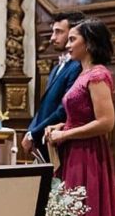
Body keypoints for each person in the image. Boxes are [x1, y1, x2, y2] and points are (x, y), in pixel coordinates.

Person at [45, 18, 115, 216]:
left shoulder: (98, 74)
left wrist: (67, 133)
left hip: (89, 155)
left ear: (89, 43)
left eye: (74, 38)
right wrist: (61, 124)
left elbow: (106, 122)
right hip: (75, 152)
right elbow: (82, 114)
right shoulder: (82, 73)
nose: (68, 43)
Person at [22, 11, 84, 162]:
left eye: (59, 32)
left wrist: (34, 134)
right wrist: (31, 131)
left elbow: (63, 109)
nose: (52, 38)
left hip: (60, 140)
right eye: (53, 32)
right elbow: (45, 106)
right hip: (44, 137)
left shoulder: (77, 67)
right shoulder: (57, 67)